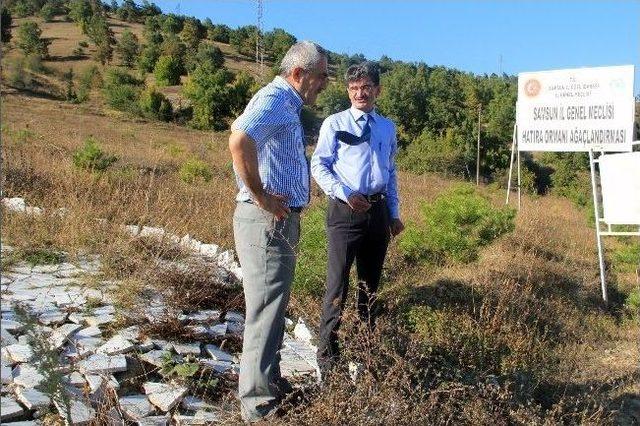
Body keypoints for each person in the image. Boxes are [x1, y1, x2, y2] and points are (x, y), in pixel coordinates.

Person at [229, 41, 328, 422]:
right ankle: (256, 404)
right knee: (266, 309)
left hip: (279, 220)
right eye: (321, 76)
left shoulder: (288, 104)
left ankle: (268, 382)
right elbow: (240, 139)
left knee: (274, 305)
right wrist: (262, 196)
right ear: (299, 73)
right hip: (266, 220)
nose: (324, 83)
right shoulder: (274, 98)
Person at [311, 61, 404, 374]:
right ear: (348, 92)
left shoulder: (387, 127)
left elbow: (390, 173)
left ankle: (367, 356)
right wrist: (344, 193)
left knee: (370, 288)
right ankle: (328, 361)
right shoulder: (335, 123)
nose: (360, 94)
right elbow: (319, 166)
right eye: (353, 89)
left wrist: (393, 213)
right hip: (345, 212)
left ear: (377, 90)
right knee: (337, 287)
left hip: (377, 214)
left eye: (366, 88)